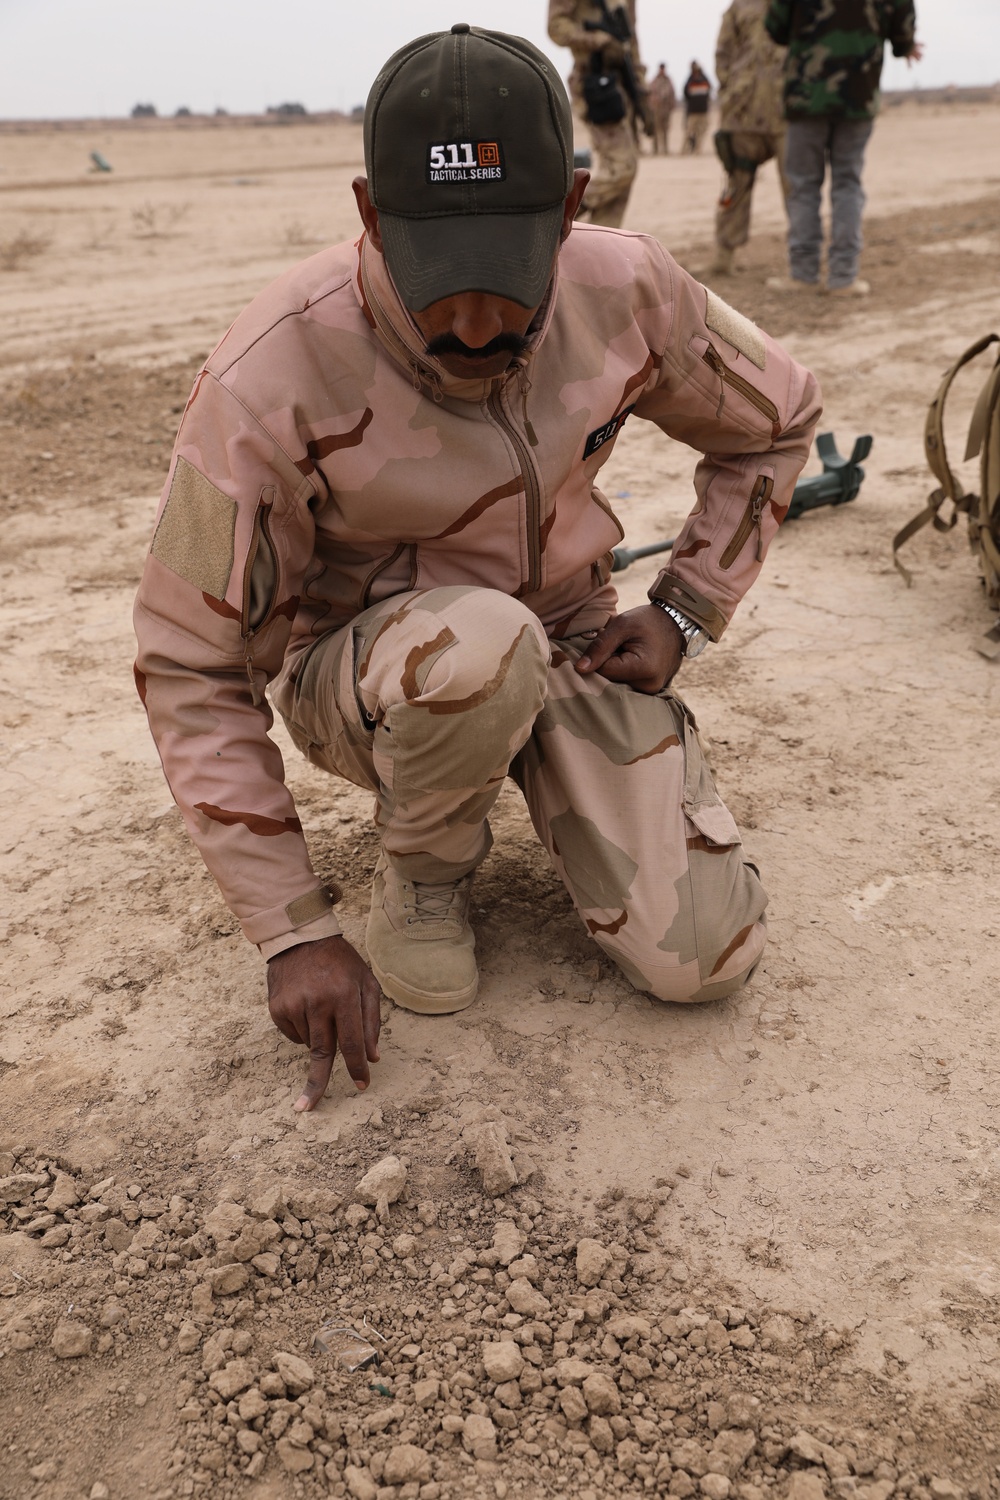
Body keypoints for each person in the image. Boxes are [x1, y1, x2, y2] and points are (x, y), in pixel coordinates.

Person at [133, 24, 821, 1112]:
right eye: (436, 279)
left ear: (569, 207)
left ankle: (561, 776)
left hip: (563, 642)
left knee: (702, 960)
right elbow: (189, 665)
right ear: (369, 215)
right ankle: (423, 873)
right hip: (363, 682)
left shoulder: (630, 287)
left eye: (503, 279)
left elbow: (778, 422)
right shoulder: (270, 373)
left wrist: (686, 607)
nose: (469, 323)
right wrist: (292, 931)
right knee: (480, 642)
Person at [764, 0, 921, 295]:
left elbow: (775, 28)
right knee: (847, 183)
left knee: (803, 186)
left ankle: (803, 274)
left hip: (806, 96)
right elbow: (902, 32)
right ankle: (844, 277)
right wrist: (906, 45)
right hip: (858, 95)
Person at [548, 0, 650, 226]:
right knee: (622, 170)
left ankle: (599, 249)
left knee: (620, 188)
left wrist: (640, 88)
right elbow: (556, 27)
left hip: (623, 87)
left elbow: (630, 39)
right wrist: (595, 40)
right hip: (595, 85)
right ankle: (553, 215)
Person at [711, 0, 788, 277]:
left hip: (786, 110)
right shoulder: (739, 7)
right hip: (743, 112)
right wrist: (731, 88)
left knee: (797, 188)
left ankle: (803, 263)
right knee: (737, 184)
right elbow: (723, 52)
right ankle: (724, 255)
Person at [682, 61, 712, 154]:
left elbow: (709, 91)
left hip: (703, 110)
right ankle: (684, 150)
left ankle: (698, 150)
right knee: (689, 131)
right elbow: (686, 94)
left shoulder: (705, 80)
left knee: (701, 131)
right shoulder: (690, 81)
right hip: (693, 111)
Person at [648, 63, 676, 154]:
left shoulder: (668, 81)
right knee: (655, 130)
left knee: (665, 130)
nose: (662, 70)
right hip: (656, 109)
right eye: (661, 68)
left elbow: (672, 94)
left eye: (663, 69)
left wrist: (672, 106)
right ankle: (655, 150)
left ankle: (665, 150)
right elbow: (650, 93)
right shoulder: (654, 81)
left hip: (666, 109)